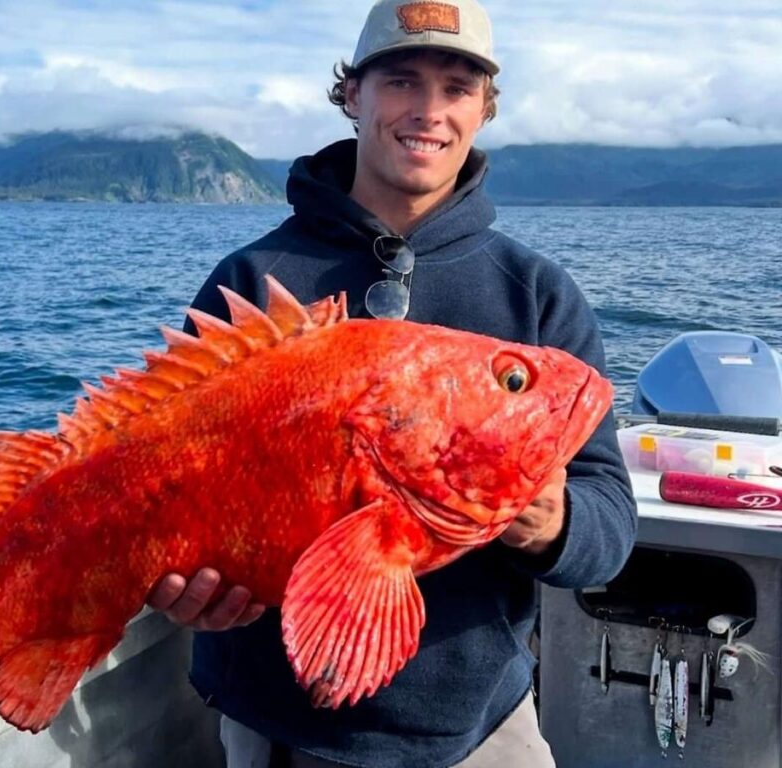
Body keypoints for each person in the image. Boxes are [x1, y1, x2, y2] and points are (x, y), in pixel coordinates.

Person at [147, 0, 638, 765]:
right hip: (274, 727)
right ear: (353, 96)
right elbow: (160, 464)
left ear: (485, 109)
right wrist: (180, 590)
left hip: (479, 731)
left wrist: (552, 522)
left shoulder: (537, 294)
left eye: (457, 87)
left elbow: (609, 526)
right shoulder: (253, 280)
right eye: (402, 80)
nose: (429, 111)